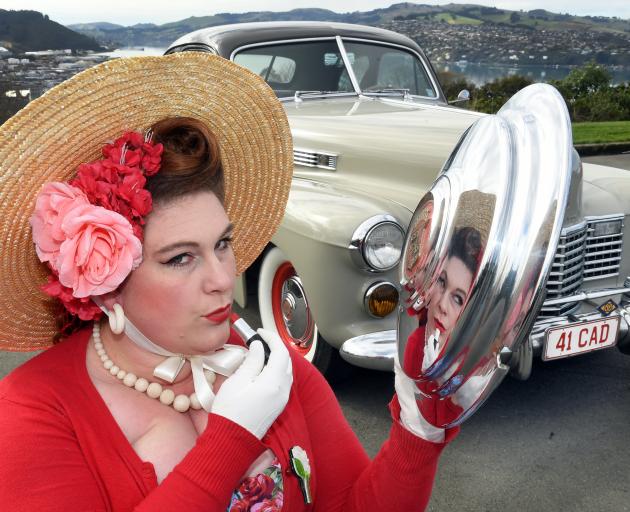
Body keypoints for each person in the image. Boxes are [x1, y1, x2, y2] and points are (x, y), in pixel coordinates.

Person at [0, 53, 458, 511]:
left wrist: (418, 431)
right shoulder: (33, 411)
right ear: (103, 281)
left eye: (222, 243)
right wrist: (231, 440)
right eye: (180, 258)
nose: (223, 279)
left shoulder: (273, 368)